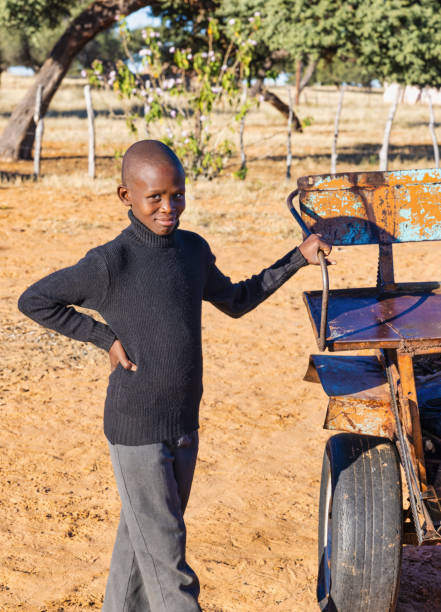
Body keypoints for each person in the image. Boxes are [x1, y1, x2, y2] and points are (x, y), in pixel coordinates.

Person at [18, 140, 333, 611]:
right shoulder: (110, 263)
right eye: (155, 197)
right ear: (125, 196)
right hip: (137, 431)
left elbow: (237, 300)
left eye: (178, 194)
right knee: (171, 573)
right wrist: (103, 338)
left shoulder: (191, 250)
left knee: (141, 546)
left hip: (184, 426)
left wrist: (296, 258)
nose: (170, 208)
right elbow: (35, 300)